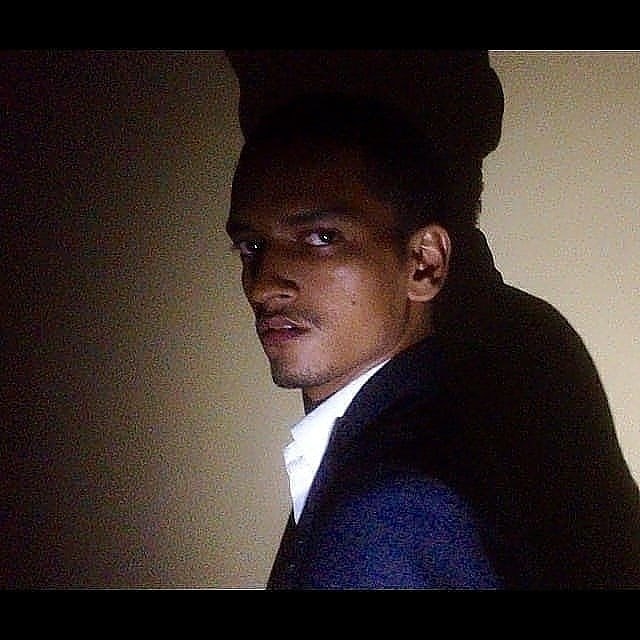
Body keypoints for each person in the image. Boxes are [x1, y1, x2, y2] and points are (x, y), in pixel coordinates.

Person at [224, 50, 640, 589]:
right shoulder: (515, 347)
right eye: (250, 246)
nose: (262, 286)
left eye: (322, 237)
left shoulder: (403, 495)